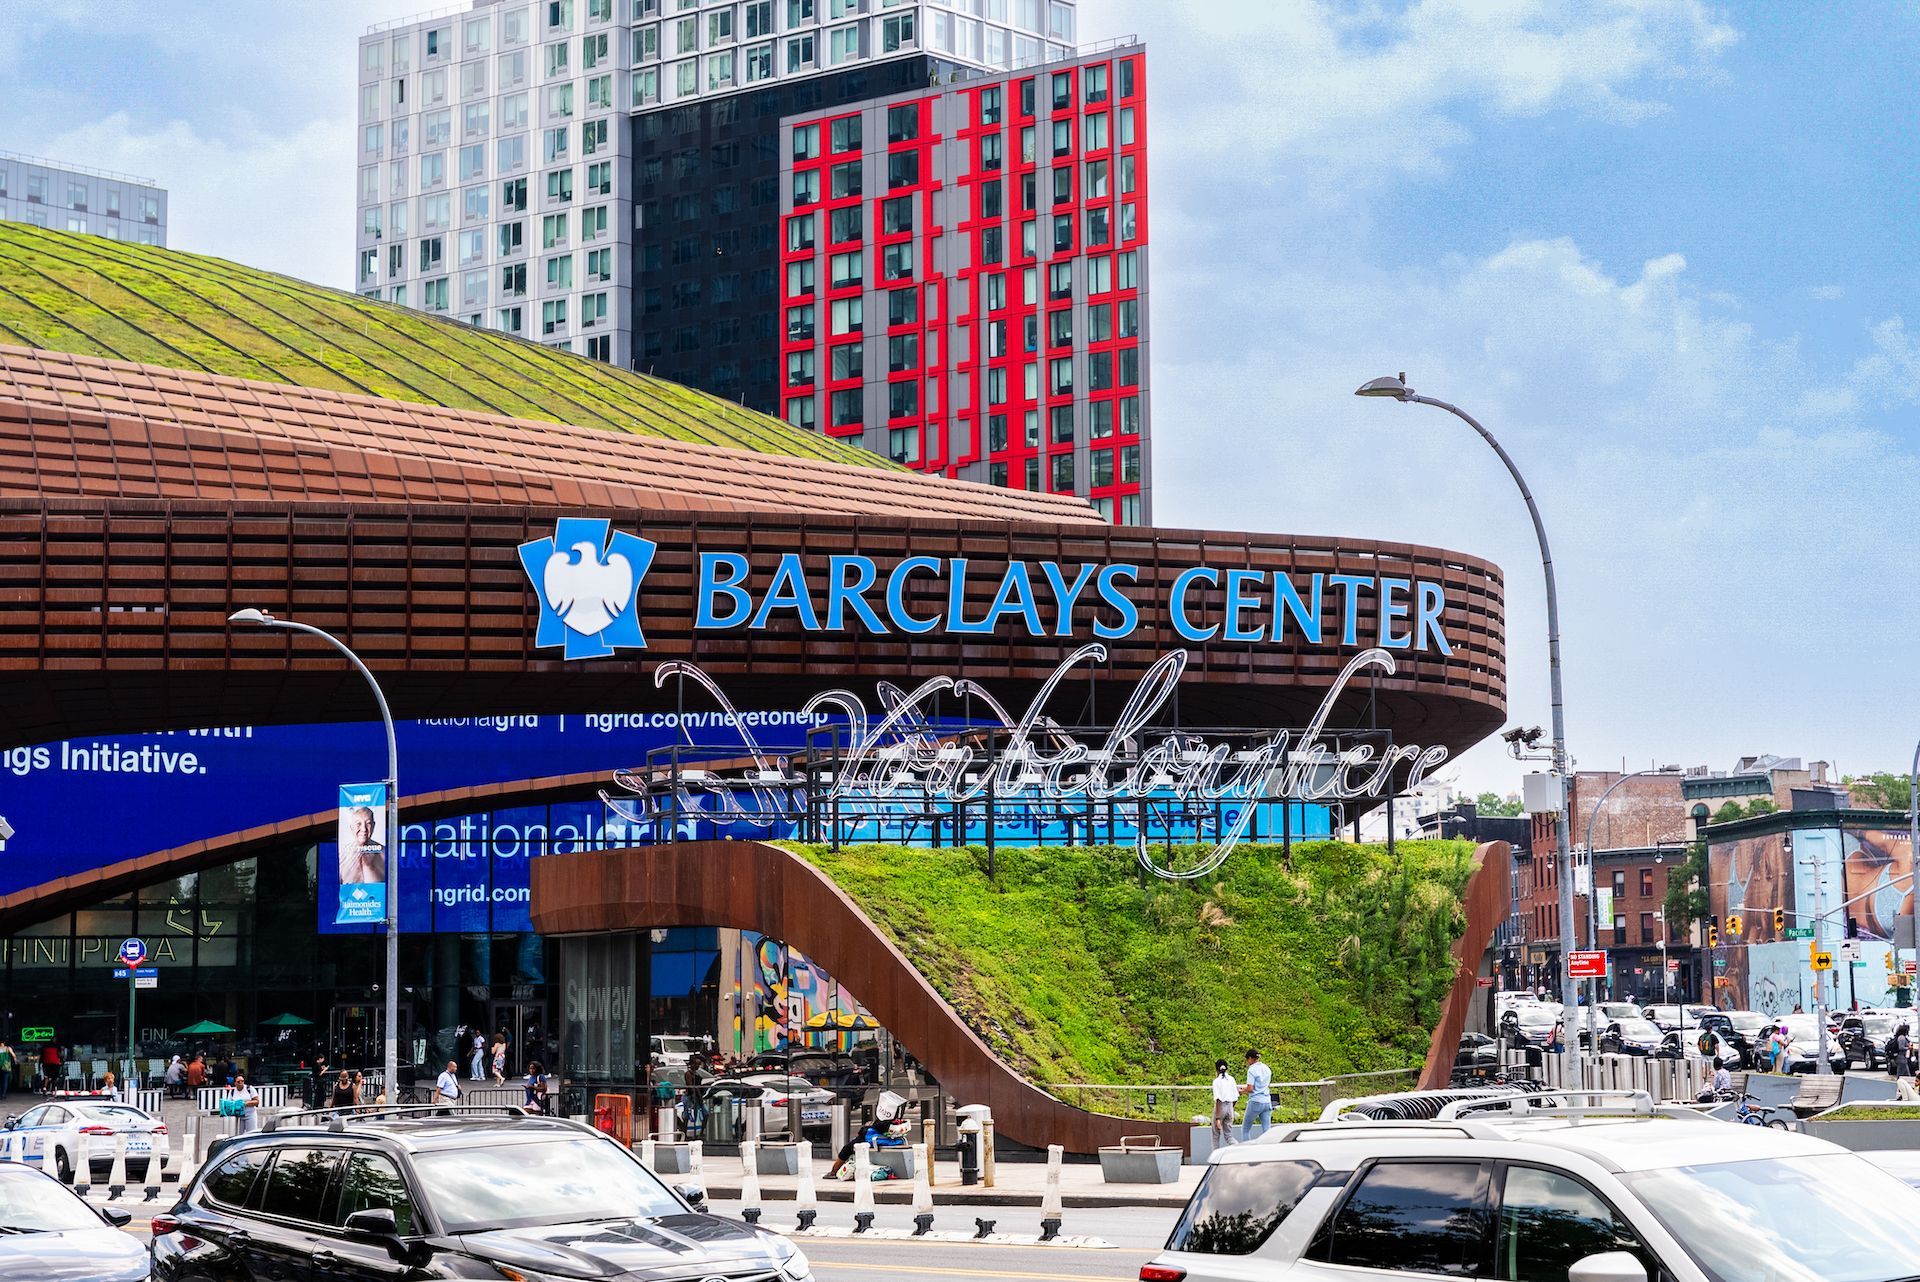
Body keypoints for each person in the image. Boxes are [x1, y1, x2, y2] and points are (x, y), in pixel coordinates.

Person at [339, 805, 386, 885]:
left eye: (368, 823)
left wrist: (369, 867)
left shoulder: (384, 852)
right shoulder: (343, 854)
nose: (364, 829)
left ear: (373, 825)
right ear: (351, 827)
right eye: (358, 824)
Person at [1238, 1048, 1273, 1141]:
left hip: (1256, 1101)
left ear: (1249, 1058)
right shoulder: (1266, 1068)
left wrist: (1241, 1091)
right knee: (1267, 1130)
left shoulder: (1252, 1070)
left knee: (1245, 1129)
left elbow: (1250, 1088)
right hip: (1267, 1101)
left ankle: (1247, 1151)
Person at [1210, 1059, 1236, 1148]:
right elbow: (1235, 1097)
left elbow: (1218, 1100)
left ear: (1217, 1070)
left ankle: (1215, 1159)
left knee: (1215, 1136)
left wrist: (1218, 1118)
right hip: (1230, 1107)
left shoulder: (1216, 1081)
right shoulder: (1232, 1079)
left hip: (1220, 1108)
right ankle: (1239, 1149)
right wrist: (1231, 1108)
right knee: (1229, 1136)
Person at [1892, 1024, 1917, 1101]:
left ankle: (1908, 1088)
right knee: (1901, 1074)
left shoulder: (1902, 1037)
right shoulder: (1902, 1038)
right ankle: (1900, 1090)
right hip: (1901, 1058)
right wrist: (1908, 1048)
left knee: (1906, 1074)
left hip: (1903, 1058)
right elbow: (1901, 1047)